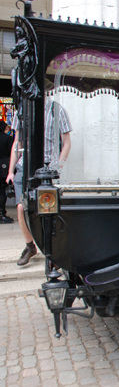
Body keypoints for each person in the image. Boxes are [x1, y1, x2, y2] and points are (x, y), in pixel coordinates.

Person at [6, 100, 72, 266]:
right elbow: (17, 143)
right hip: (24, 166)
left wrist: (58, 167)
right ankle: (30, 246)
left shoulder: (56, 109)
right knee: (22, 207)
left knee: (48, 209)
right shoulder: (22, 110)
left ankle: (51, 250)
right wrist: (11, 171)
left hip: (46, 167)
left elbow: (67, 142)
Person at [0, 121, 14, 223]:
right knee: (1, 190)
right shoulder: (7, 138)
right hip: (3, 166)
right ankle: (1, 212)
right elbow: (11, 152)